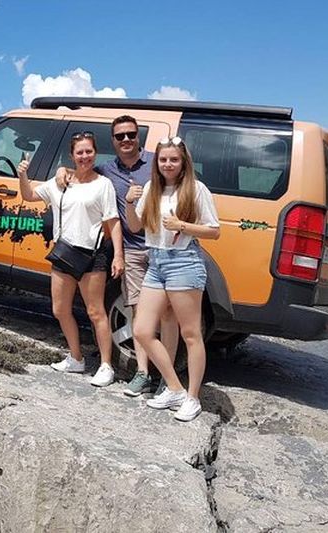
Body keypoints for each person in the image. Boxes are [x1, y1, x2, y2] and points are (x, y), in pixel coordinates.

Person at [55, 116, 179, 397]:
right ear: (112, 140)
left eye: (131, 134)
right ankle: (143, 373)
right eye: (120, 136)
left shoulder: (157, 162)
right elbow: (82, 169)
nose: (126, 140)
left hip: (164, 247)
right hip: (133, 249)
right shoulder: (107, 170)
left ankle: (167, 377)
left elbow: (180, 177)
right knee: (137, 312)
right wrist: (62, 170)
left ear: (138, 136)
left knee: (168, 314)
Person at [126, 136, 220, 421]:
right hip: (156, 261)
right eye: (163, 159)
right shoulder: (151, 189)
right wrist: (129, 202)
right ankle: (175, 388)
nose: (168, 164)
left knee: (191, 334)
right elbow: (135, 225)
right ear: (157, 162)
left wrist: (182, 225)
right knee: (142, 330)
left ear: (183, 162)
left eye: (174, 159)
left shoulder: (196, 189)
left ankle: (193, 398)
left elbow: (214, 231)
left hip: (184, 261)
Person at [19, 132, 124, 387]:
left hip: (93, 255)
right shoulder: (60, 182)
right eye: (80, 152)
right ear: (72, 155)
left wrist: (118, 256)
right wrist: (22, 175)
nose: (85, 156)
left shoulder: (103, 184)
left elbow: (113, 221)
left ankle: (106, 366)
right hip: (64, 253)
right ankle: (76, 358)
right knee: (60, 309)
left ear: (95, 153)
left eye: (89, 151)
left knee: (95, 312)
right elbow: (29, 195)